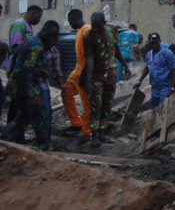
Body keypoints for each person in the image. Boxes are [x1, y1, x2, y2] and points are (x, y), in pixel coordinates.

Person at [1, 21, 62, 150]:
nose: (55, 41)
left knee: (23, 118)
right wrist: (31, 95)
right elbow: (27, 71)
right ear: (45, 33)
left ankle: (5, 139)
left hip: (16, 85)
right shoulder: (36, 47)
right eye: (52, 36)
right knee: (41, 116)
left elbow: (17, 59)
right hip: (24, 88)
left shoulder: (29, 40)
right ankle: (44, 146)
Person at [83, 12, 131, 147]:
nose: (95, 29)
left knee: (107, 105)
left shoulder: (111, 31)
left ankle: (103, 134)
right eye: (94, 26)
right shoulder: (88, 36)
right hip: (96, 76)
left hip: (111, 75)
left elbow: (116, 50)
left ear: (104, 24)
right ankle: (95, 135)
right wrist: (88, 80)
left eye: (98, 27)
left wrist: (126, 67)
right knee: (96, 105)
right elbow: (89, 59)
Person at [61, 9, 93, 143]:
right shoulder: (80, 31)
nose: (69, 24)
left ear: (73, 19)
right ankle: (76, 123)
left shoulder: (87, 30)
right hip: (77, 69)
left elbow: (90, 56)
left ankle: (86, 132)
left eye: (69, 21)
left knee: (87, 103)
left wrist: (87, 77)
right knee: (66, 92)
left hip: (84, 71)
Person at [137, 32, 175, 109]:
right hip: (155, 87)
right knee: (153, 107)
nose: (154, 45)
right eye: (152, 43)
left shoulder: (168, 53)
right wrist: (139, 81)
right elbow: (147, 68)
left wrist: (172, 87)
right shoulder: (149, 54)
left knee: (162, 108)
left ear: (159, 41)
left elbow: (174, 70)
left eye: (156, 43)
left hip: (165, 86)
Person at [4, 5, 43, 71]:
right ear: (32, 13)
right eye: (38, 17)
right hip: (17, 64)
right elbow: (15, 47)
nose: (39, 20)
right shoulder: (19, 24)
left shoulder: (27, 25)